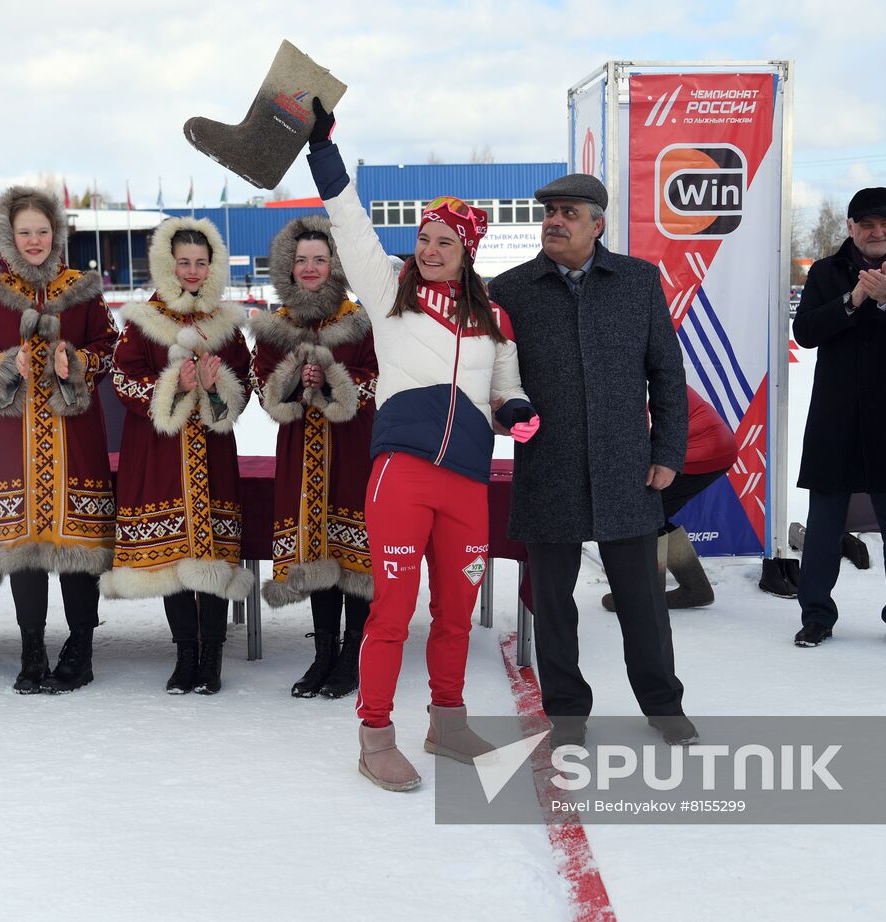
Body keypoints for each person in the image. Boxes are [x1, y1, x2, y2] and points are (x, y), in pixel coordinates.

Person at [306, 100, 538, 792]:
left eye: (444, 241)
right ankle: (375, 733)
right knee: (394, 608)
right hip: (402, 476)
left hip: (467, 483)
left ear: (469, 250)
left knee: (458, 611)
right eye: (425, 237)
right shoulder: (391, 292)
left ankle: (448, 720)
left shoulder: (494, 318)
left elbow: (504, 388)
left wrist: (516, 410)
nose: (430, 249)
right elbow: (349, 223)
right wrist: (324, 150)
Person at [489, 173, 693, 749]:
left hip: (627, 469)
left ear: (598, 223)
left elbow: (667, 375)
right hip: (547, 469)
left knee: (643, 604)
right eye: (550, 211)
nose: (555, 220)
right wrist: (507, 417)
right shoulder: (511, 290)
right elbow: (497, 380)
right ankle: (568, 713)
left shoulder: (637, 281)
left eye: (569, 212)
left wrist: (667, 453)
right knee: (552, 606)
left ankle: (663, 704)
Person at [0, 185, 117, 694]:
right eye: (23, 232)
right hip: (14, 442)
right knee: (25, 550)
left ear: (57, 233)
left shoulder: (83, 289)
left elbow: (109, 345)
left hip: (76, 442)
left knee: (76, 550)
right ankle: (31, 647)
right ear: (8, 235)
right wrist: (6, 364)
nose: (33, 240)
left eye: (42, 231)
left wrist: (79, 362)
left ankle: (81, 647)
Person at [100, 218, 253, 696]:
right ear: (168, 265)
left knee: (209, 558)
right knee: (172, 562)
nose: (192, 270)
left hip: (211, 455)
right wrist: (175, 385)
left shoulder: (226, 326)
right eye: (183, 262)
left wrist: (214, 388)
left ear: (213, 266)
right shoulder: (144, 322)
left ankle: (212, 657)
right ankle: (185, 653)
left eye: (200, 262)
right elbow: (123, 381)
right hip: (159, 457)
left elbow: (243, 388)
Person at [791, 187, 886, 649]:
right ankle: (816, 614)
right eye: (867, 224)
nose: (878, 232)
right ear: (851, 228)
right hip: (836, 415)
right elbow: (805, 331)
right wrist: (852, 300)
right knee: (823, 527)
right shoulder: (826, 270)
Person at [251, 215, 377, 699]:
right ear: (288, 265)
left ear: (335, 264)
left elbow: (376, 378)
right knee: (318, 550)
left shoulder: (360, 319)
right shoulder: (274, 325)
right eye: (301, 260)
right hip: (300, 453)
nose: (309, 267)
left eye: (319, 259)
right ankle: (323, 652)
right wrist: (291, 381)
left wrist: (331, 382)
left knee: (353, 557)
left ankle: (352, 655)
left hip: (352, 451)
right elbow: (263, 389)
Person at [601, 385, 736, 613]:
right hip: (715, 446)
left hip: (698, 449)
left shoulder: (627, 375)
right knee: (657, 511)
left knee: (646, 514)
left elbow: (636, 441)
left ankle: (645, 598)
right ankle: (694, 588)